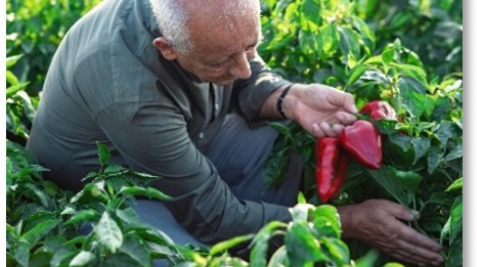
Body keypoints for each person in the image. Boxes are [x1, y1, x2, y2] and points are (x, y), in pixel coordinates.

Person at [26, 0, 444, 266]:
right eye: (223, 61)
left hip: (192, 134)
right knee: (179, 259)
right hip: (116, 178)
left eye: (251, 48)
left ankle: (268, 231)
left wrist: (288, 97)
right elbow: (213, 215)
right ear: (166, 48)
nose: (243, 69)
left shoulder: (205, 23)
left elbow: (243, 69)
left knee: (289, 152)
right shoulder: (130, 94)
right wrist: (347, 222)